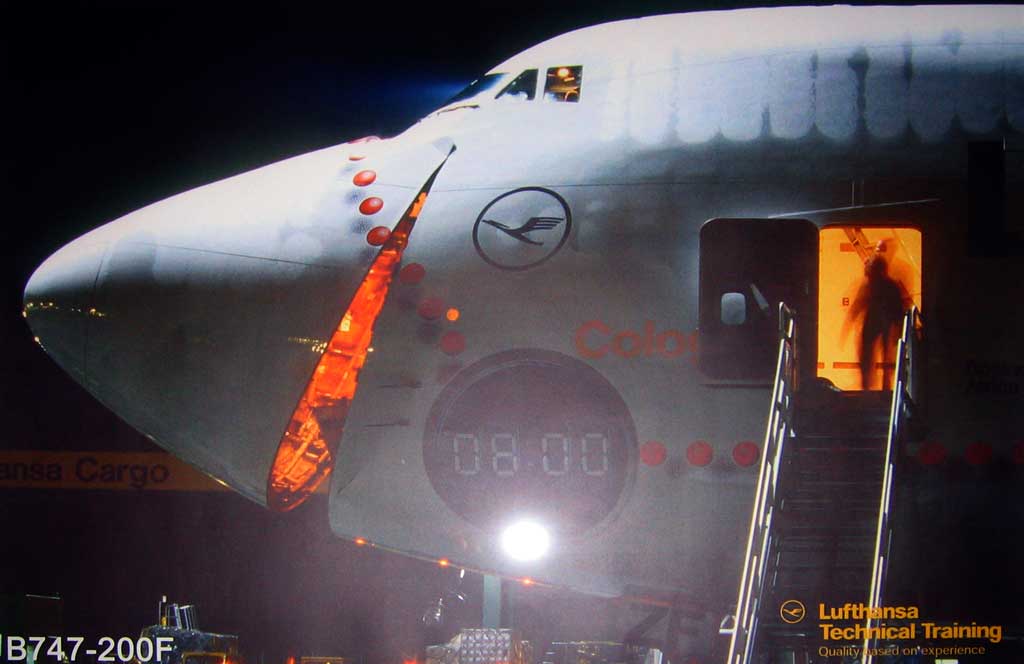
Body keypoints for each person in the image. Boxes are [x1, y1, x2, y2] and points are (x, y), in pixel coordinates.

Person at [840, 243, 911, 390]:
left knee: (882, 357)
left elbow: (858, 307)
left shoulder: (882, 286)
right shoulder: (880, 286)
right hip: (878, 323)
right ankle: (872, 385)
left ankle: (877, 386)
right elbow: (858, 306)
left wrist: (899, 329)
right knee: (874, 357)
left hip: (880, 323)